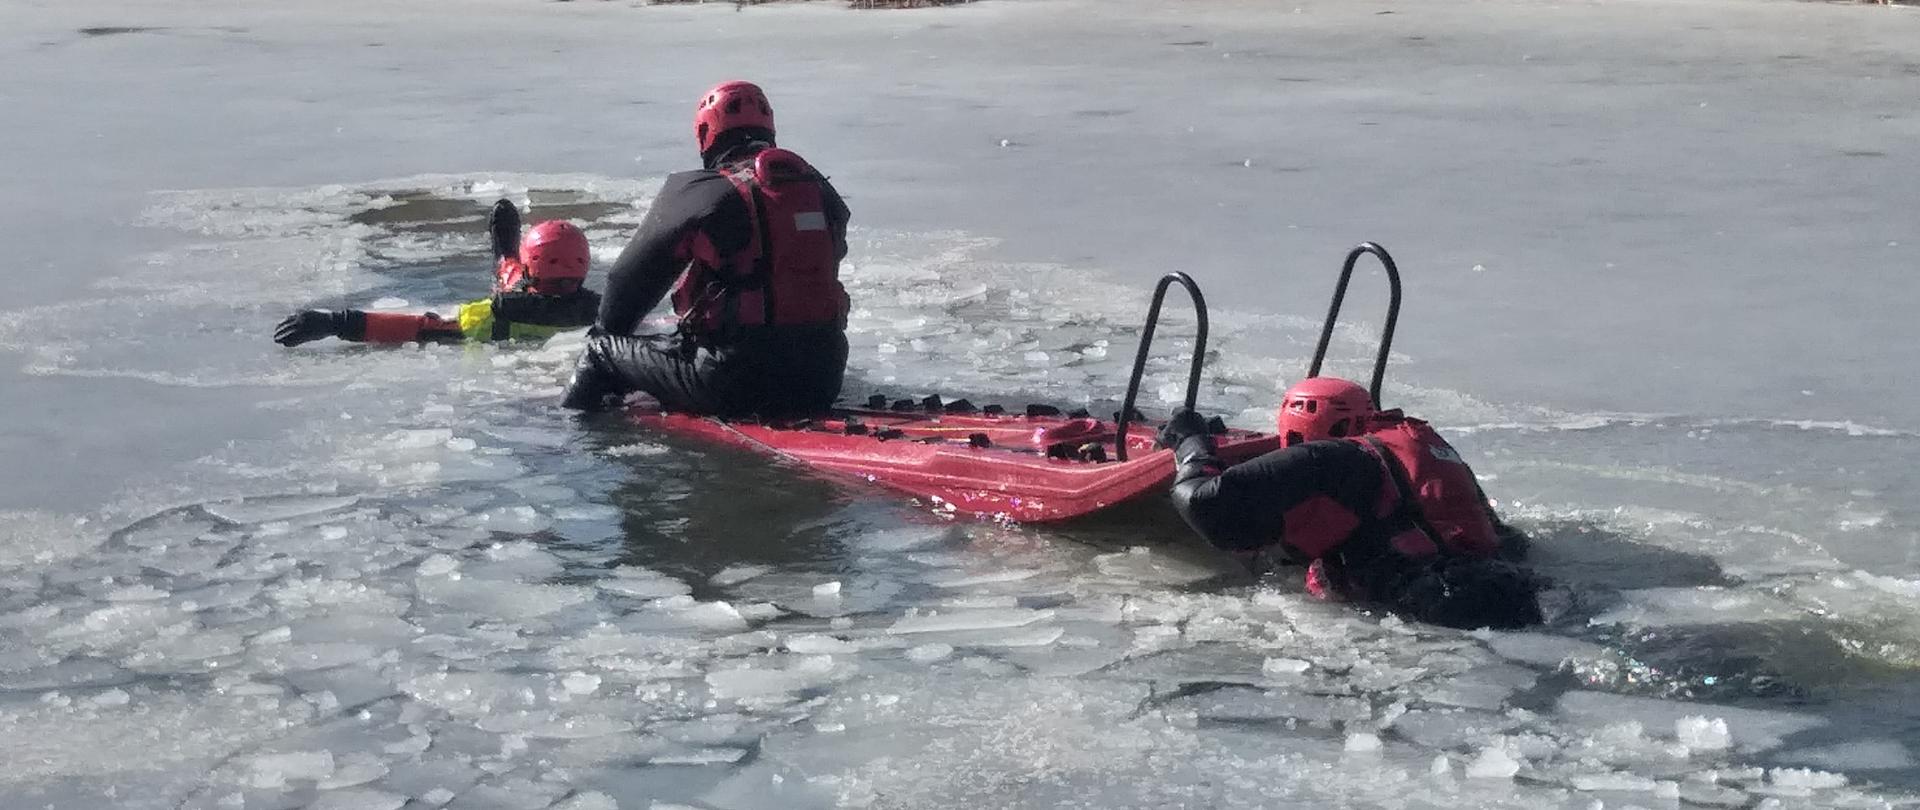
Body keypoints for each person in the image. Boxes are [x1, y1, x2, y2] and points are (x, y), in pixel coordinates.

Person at [1158, 376, 1544, 629]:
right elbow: (1506, 539)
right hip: (1513, 591)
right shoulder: (1419, 445)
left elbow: (1204, 505)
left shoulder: (1328, 461)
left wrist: (1191, 443)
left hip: (1431, 613)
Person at [561, 80, 851, 416]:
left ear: (705, 133)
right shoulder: (819, 190)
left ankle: (559, 437)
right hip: (823, 378)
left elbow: (627, 286)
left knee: (601, 350)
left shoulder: (703, 190)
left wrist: (611, 340)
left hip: (731, 383)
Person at [273, 200, 598, 346]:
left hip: (513, 298)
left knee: (510, 275)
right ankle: (507, 254)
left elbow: (421, 327)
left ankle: (508, 256)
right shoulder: (608, 312)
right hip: (563, 302)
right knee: (515, 276)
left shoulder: (492, 316)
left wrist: (335, 322)